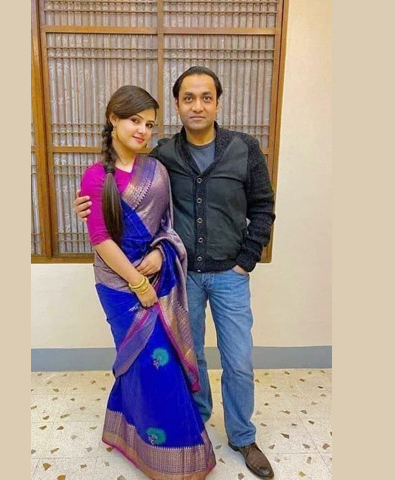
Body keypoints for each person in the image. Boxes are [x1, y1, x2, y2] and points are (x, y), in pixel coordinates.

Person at [76, 67, 277, 479]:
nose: (197, 106)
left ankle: (242, 437)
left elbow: (263, 206)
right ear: (178, 105)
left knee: (239, 360)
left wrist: (246, 258)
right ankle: (194, 425)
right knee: (190, 356)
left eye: (206, 97)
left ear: (217, 102)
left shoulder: (245, 148)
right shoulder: (164, 154)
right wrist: (87, 207)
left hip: (228, 274)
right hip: (180, 276)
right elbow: (117, 195)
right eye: (188, 98)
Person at [79, 85, 216, 479]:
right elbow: (101, 239)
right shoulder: (95, 177)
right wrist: (137, 282)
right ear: (113, 119)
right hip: (118, 287)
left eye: (150, 124)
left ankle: (145, 441)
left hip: (158, 277)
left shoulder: (156, 171)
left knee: (155, 364)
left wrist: (160, 253)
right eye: (134, 120)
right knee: (145, 363)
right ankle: (158, 453)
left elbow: (167, 226)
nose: (143, 130)